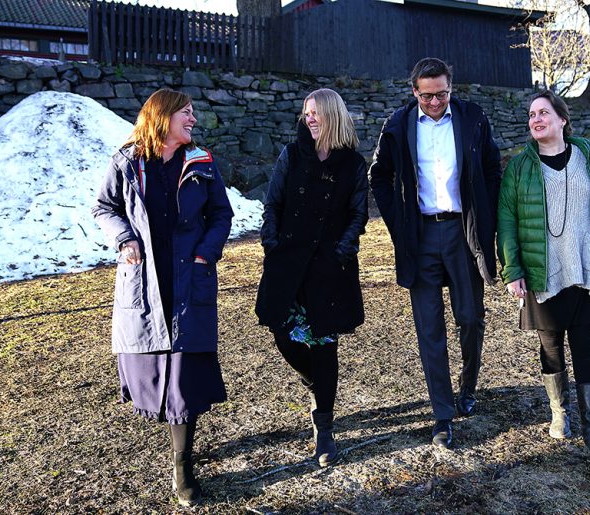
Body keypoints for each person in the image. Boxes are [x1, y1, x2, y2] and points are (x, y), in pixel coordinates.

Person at [92, 89, 233, 505]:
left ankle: (182, 465)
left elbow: (221, 214)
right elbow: (104, 207)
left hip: (190, 277)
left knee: (184, 377)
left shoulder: (202, 162)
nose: (193, 120)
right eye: (185, 113)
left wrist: (207, 253)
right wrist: (125, 239)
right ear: (162, 116)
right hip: (146, 279)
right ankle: (177, 445)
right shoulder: (127, 161)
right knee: (152, 369)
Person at [369, 57, 502, 449]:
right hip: (420, 236)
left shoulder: (473, 118)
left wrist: (486, 216)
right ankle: (442, 415)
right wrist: (399, 224)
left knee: (470, 317)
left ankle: (468, 386)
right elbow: (379, 176)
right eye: (426, 95)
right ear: (414, 92)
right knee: (430, 329)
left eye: (441, 94)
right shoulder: (397, 125)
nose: (434, 102)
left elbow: (492, 169)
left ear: (450, 88)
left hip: (463, 232)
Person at [497, 89, 590, 457]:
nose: (536, 119)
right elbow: (507, 221)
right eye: (531, 115)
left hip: (586, 266)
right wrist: (513, 269)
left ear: (562, 119)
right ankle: (560, 413)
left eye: (543, 113)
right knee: (551, 347)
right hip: (543, 270)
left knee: (585, 346)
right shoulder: (520, 168)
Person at [255, 88, 368, 467]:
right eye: (307, 113)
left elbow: (358, 214)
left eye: (317, 112)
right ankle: (315, 381)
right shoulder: (291, 155)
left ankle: (324, 429)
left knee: (324, 347)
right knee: (283, 337)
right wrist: (271, 244)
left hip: (328, 268)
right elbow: (272, 204)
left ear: (333, 115)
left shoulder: (353, 164)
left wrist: (341, 251)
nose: (310, 118)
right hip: (287, 263)